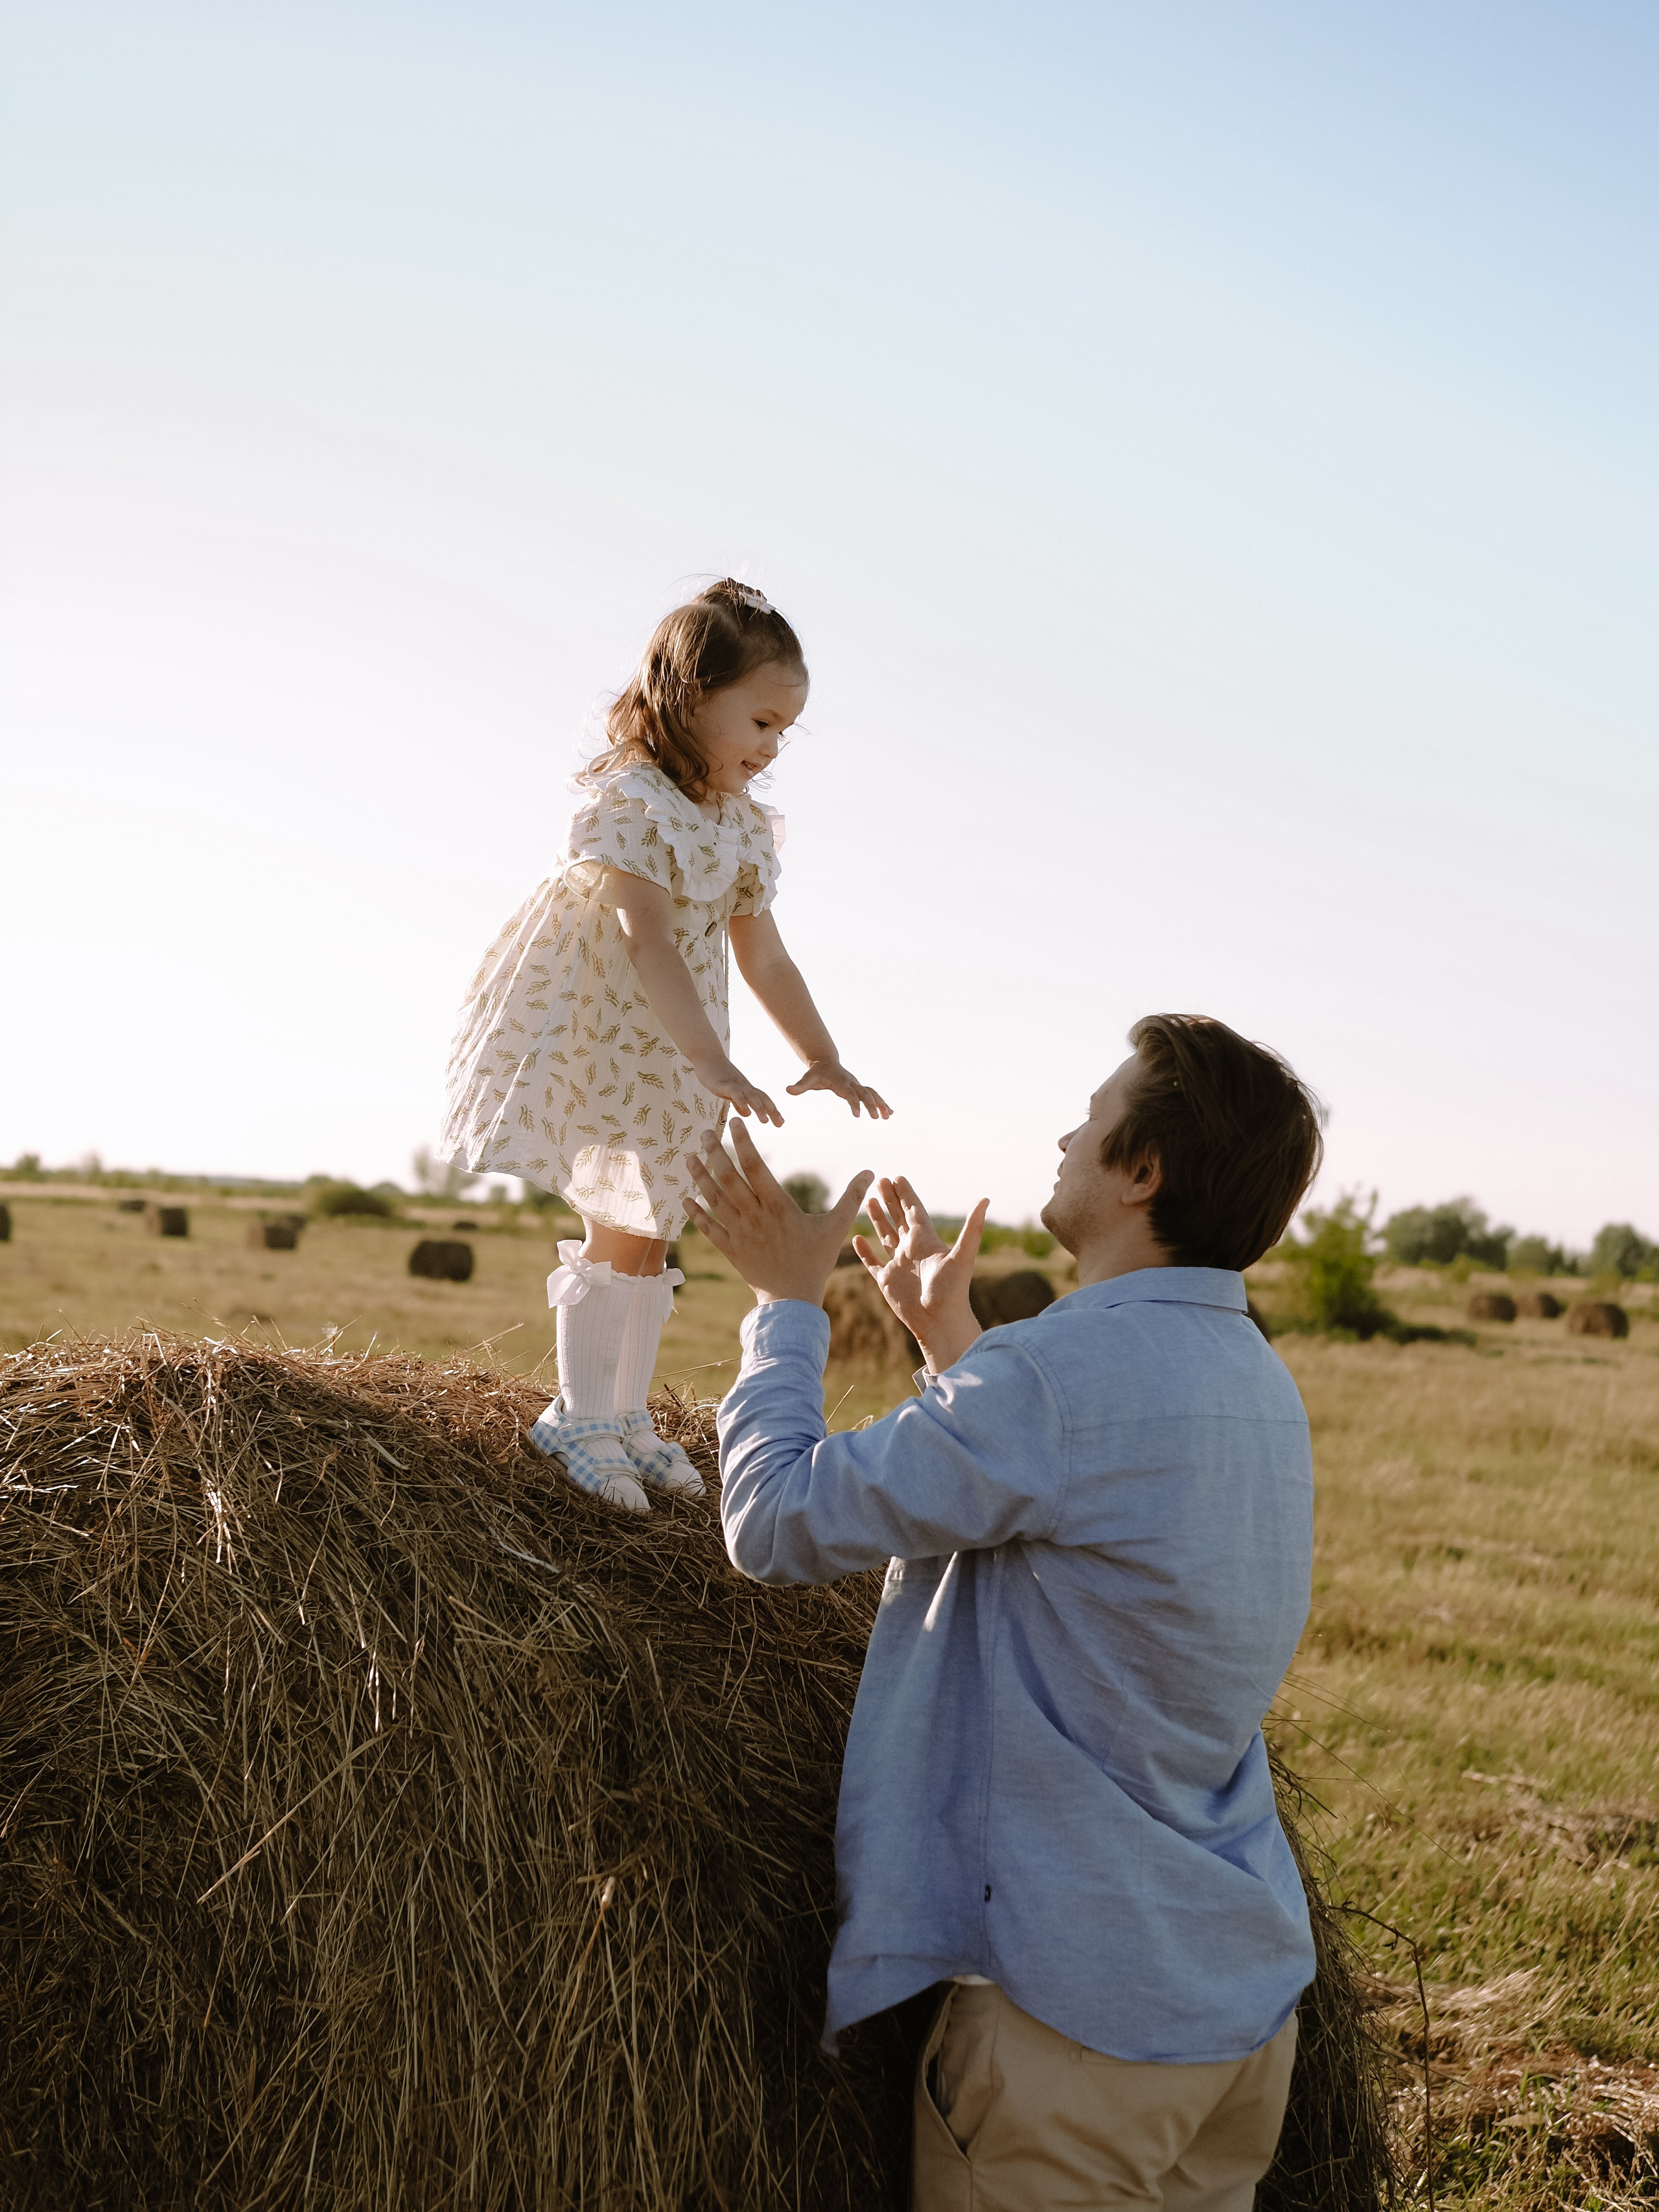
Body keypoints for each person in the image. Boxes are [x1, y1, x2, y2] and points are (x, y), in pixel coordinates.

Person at [685, 1014, 1325, 2211]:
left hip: (1075, 2035)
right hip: (1229, 2021)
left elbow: (772, 1520)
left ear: (1144, 1171)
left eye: (1095, 1114)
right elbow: (1069, 1513)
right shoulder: (1256, 1381)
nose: (1067, 1132)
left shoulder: (1056, 1375)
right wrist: (952, 1343)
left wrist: (785, 1305)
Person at [439, 579, 890, 1511]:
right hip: (620, 1039)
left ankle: (625, 1415)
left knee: (652, 1234)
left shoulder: (740, 827)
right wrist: (712, 1063)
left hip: (688, 1048)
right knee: (616, 1228)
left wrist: (822, 1051)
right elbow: (645, 938)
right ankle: (577, 1415)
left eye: (783, 733)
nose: (770, 748)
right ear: (691, 696)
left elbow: (763, 953)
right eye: (760, 722)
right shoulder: (634, 801)